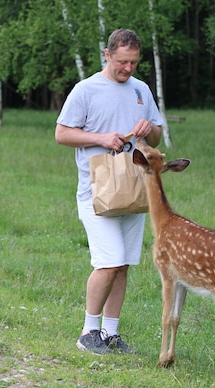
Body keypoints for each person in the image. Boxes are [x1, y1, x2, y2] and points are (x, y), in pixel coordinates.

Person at [55, 28, 163, 354]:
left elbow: (157, 137)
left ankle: (110, 334)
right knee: (109, 260)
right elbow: (61, 133)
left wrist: (149, 129)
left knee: (124, 263)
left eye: (133, 62)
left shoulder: (141, 90)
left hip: (132, 190)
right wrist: (101, 138)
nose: (128, 68)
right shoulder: (86, 90)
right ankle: (88, 333)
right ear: (107, 54)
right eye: (122, 62)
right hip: (96, 191)